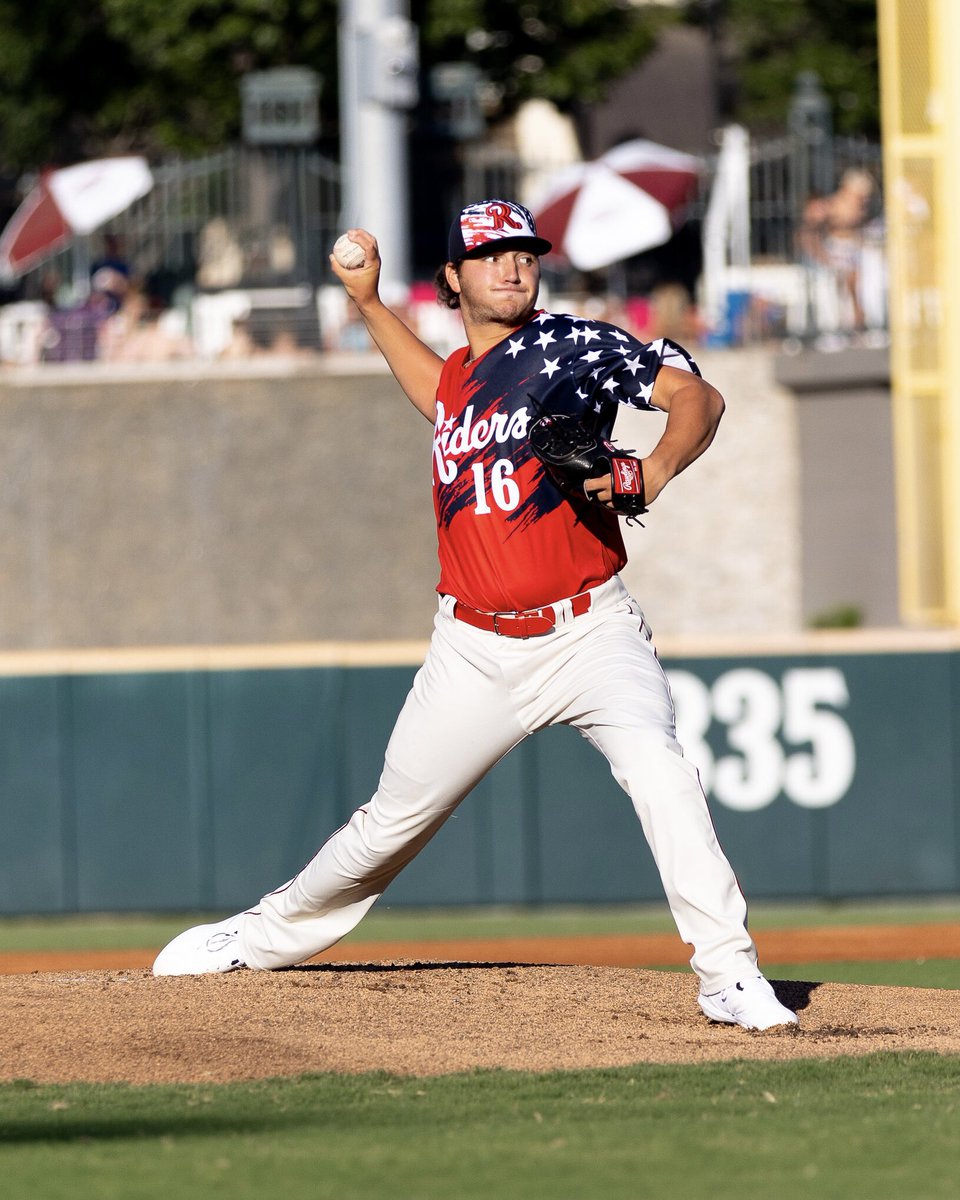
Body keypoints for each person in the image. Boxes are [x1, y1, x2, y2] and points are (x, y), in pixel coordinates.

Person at [154, 199, 798, 1032]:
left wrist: (655, 468)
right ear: (453, 279)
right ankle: (258, 936)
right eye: (490, 255)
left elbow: (696, 398)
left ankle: (729, 974)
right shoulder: (462, 380)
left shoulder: (576, 344)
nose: (512, 266)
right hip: (473, 650)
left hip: (589, 632)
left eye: (524, 252)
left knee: (663, 771)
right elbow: (436, 391)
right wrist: (367, 303)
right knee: (388, 824)